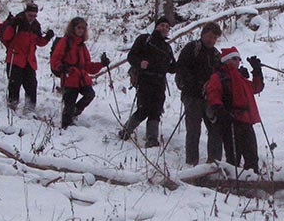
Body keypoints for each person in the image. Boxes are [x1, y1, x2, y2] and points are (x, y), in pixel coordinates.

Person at [119, 17, 177, 147]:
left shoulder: (167, 47)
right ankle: (126, 131)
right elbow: (131, 56)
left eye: (167, 27)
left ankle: (152, 139)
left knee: (156, 110)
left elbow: (172, 68)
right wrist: (140, 63)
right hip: (145, 80)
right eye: (162, 25)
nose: (165, 28)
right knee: (144, 109)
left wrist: (177, 66)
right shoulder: (144, 39)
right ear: (156, 26)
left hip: (160, 82)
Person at [205, 47, 264, 173]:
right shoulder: (219, 76)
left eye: (238, 59)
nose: (237, 61)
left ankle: (251, 179)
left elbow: (256, 87)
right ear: (226, 60)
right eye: (234, 58)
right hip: (230, 120)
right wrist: (221, 111)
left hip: (245, 120)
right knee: (233, 156)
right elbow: (213, 94)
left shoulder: (240, 77)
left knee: (251, 154)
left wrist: (257, 71)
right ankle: (234, 182)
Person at [175, 22, 223, 165]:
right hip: (192, 96)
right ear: (202, 34)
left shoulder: (216, 54)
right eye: (209, 36)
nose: (211, 40)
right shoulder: (191, 48)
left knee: (215, 129)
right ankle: (192, 162)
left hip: (210, 98)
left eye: (214, 38)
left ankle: (214, 162)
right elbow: (182, 68)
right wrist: (197, 83)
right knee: (194, 130)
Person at [50, 17, 110, 129]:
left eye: (83, 28)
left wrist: (101, 64)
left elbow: (88, 66)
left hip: (81, 78)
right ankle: (66, 128)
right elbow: (55, 59)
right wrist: (60, 67)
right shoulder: (65, 41)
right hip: (69, 77)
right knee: (69, 105)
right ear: (73, 28)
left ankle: (73, 116)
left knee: (90, 94)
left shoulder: (82, 45)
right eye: (79, 28)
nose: (81, 30)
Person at [0, 2, 53, 113]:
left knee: (31, 85)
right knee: (15, 84)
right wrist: (12, 25)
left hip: (29, 61)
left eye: (34, 15)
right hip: (15, 58)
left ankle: (30, 108)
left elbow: (39, 42)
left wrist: (47, 38)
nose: (32, 18)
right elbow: (6, 37)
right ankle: (12, 106)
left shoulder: (35, 25)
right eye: (30, 15)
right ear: (26, 13)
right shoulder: (17, 22)